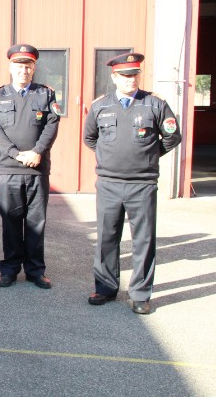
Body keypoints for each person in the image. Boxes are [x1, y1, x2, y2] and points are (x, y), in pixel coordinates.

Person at [83, 52, 181, 315]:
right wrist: (109, 157)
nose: (131, 80)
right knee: (106, 237)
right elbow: (90, 138)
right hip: (109, 184)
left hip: (142, 184)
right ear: (114, 77)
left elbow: (172, 137)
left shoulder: (154, 104)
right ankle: (105, 288)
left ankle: (140, 294)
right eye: (125, 76)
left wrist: (149, 156)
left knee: (143, 240)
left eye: (134, 75)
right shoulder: (100, 106)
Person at [0, 44, 61, 290]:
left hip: (37, 169)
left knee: (36, 222)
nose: (23, 70)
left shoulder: (46, 95)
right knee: (11, 222)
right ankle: (9, 269)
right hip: (8, 169)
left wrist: (38, 152)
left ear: (34, 68)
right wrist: (16, 154)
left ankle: (35, 271)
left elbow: (52, 124)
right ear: (10, 67)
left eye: (28, 65)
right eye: (18, 65)